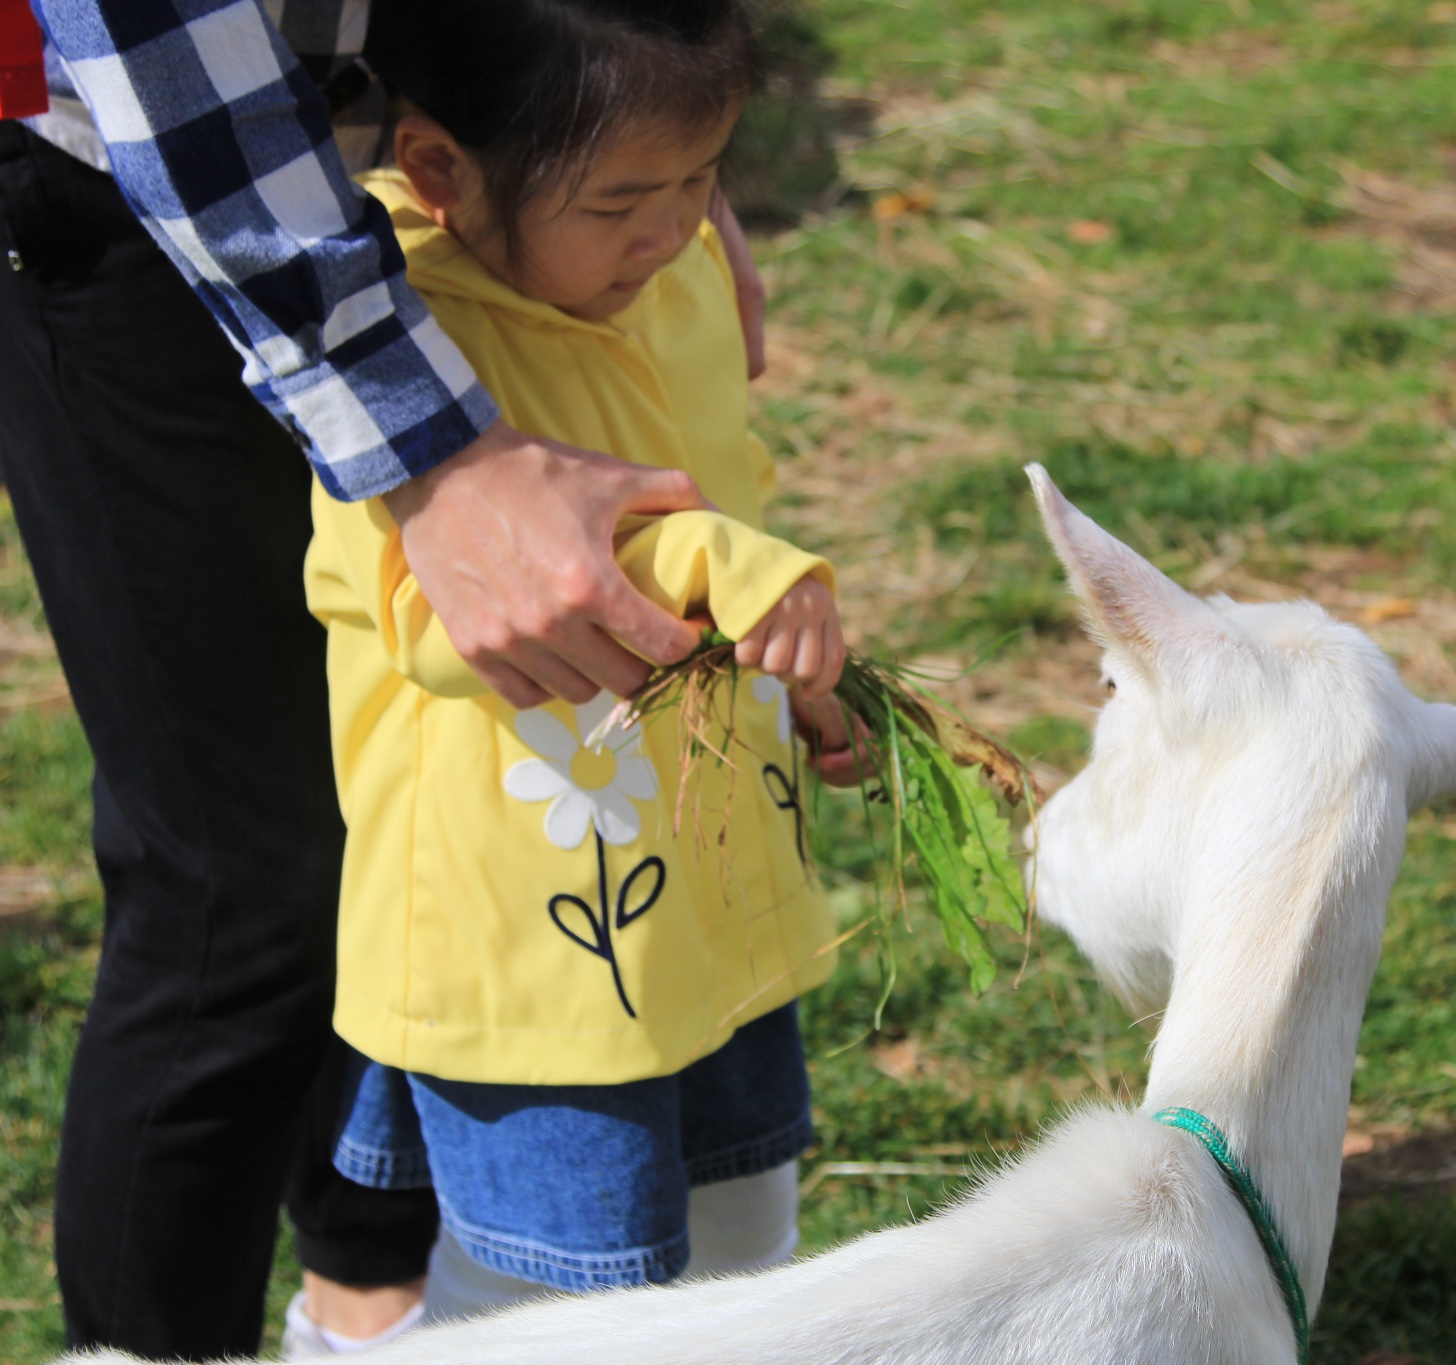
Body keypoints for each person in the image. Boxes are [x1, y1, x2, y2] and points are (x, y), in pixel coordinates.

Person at [0, 0, 761, 1356]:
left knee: (397, 797)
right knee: (239, 889)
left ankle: (365, 1308)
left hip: (457, 149)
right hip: (132, 157)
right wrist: (431, 448)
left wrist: (640, 161)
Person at [303, 0, 855, 1327]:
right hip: (535, 924)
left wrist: (786, 660)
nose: (669, 230)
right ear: (440, 169)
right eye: (621, 201)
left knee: (739, 1221)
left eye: (700, 180)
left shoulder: (665, 276)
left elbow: (726, 481)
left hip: (707, 855)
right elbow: (431, 623)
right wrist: (721, 569)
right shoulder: (391, 349)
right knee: (551, 1294)